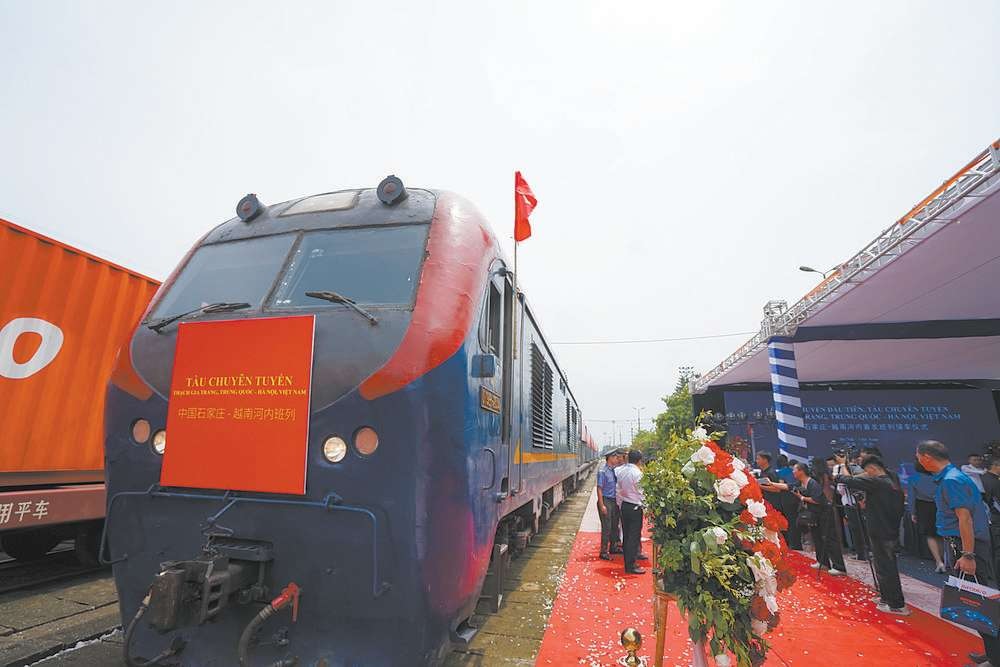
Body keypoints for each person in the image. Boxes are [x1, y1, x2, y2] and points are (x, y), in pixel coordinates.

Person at [915, 440, 998, 667]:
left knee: (979, 603)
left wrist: (968, 554)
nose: (918, 461)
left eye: (918, 456)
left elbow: (965, 519)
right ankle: (992, 653)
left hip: (967, 547)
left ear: (926, 457)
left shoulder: (952, 481)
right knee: (975, 600)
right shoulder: (953, 477)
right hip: (962, 545)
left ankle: (996, 658)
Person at [836, 455, 909, 615]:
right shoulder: (892, 480)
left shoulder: (878, 482)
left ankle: (896, 604)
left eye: (866, 471)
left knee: (886, 567)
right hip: (888, 529)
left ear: (872, 469)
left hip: (881, 531)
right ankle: (886, 598)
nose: (865, 474)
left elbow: (847, 480)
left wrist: (842, 465)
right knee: (883, 566)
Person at [793, 461, 846, 575]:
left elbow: (818, 500)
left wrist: (802, 498)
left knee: (830, 538)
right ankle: (823, 562)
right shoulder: (803, 483)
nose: (793, 472)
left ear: (801, 471)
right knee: (817, 538)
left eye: (794, 469)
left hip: (825, 513)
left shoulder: (813, 483)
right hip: (816, 514)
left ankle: (839, 567)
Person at [908, 460, 946, 573]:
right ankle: (946, 559)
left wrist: (912, 512)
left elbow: (911, 497)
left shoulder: (913, 478)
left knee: (930, 535)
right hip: (940, 506)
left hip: (923, 508)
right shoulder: (939, 478)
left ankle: (939, 561)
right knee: (941, 534)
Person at [756, 451, 800, 549]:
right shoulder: (762, 472)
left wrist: (760, 486)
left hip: (775, 504)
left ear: (765, 460)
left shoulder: (772, 472)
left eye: (758, 458)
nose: (757, 461)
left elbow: (777, 489)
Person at [833, 448, 868, 562]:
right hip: (846, 501)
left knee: (861, 528)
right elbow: (838, 483)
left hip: (857, 501)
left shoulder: (855, 468)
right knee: (854, 528)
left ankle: (865, 552)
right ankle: (859, 552)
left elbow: (851, 481)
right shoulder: (837, 468)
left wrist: (843, 465)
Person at [616, 450, 647, 575]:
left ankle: (627, 563)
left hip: (625, 506)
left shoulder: (621, 471)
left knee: (627, 535)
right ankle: (631, 565)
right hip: (635, 507)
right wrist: (647, 507)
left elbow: (618, 489)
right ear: (639, 461)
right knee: (633, 537)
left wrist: (620, 503)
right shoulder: (637, 473)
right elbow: (641, 492)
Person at [596, 450, 623, 560]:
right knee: (607, 527)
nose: (617, 459)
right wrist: (602, 505)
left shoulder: (614, 471)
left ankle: (613, 547)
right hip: (606, 500)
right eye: (615, 457)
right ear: (610, 458)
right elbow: (599, 489)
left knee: (614, 525)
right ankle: (603, 551)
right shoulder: (603, 471)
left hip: (613, 500)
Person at [980, 457, 1000, 578]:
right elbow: (996, 503)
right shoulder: (996, 482)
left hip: (986, 519)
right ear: (996, 466)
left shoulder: (981, 479)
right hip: (996, 519)